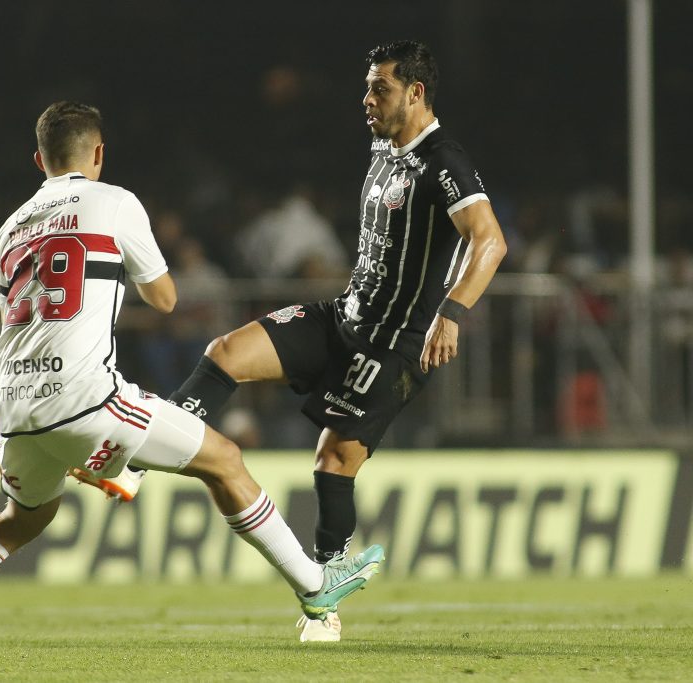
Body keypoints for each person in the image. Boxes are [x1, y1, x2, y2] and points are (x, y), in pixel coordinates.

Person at [0, 101, 384, 645]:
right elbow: (163, 299)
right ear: (98, 153)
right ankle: (313, 583)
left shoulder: (8, 230)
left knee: (22, 520)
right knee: (226, 462)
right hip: (88, 395)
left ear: (38, 160)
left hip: (14, 404)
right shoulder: (114, 202)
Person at [84, 40, 508, 642]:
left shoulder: (446, 161)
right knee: (224, 353)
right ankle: (136, 464)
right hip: (342, 318)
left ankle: (324, 604)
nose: (367, 100)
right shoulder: (384, 149)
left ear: (416, 93)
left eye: (379, 89)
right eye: (366, 87)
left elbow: (489, 239)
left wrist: (454, 312)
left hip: (392, 345)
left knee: (333, 462)